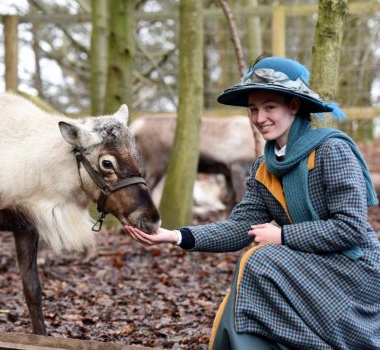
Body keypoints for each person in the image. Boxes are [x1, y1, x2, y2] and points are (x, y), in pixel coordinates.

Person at [125, 56, 380, 350]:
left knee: (261, 260)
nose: (260, 118)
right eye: (254, 109)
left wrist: (283, 235)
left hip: (354, 273)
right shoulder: (264, 167)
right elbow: (239, 228)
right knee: (259, 260)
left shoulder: (331, 151)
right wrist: (176, 236)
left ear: (294, 107)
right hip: (307, 267)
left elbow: (351, 229)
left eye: (270, 107)